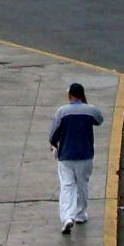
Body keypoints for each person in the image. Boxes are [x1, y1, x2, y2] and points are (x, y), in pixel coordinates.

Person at [49, 82, 104, 235]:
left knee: (67, 187)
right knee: (82, 185)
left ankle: (67, 217)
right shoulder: (91, 110)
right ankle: (80, 214)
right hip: (85, 155)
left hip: (66, 156)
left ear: (70, 95)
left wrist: (53, 144)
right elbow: (100, 120)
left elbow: (53, 134)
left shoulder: (61, 111)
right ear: (83, 95)